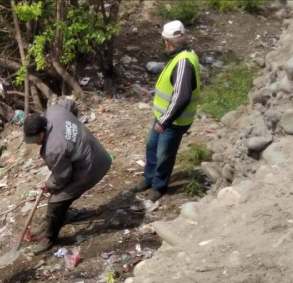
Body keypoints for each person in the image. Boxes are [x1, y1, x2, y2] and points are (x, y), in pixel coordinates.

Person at [23, 98, 112, 253]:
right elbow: (70, 104)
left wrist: (48, 185)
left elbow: (63, 177)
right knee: (56, 198)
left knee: (57, 201)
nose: (35, 142)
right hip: (92, 149)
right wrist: (73, 130)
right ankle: (49, 221)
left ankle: (50, 237)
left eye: (36, 139)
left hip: (92, 167)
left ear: (42, 132)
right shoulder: (54, 111)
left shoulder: (54, 148)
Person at [131, 20, 201, 202]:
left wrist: (165, 121)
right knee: (152, 147)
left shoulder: (184, 62)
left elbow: (181, 97)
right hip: (164, 116)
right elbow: (173, 88)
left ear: (167, 42)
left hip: (173, 121)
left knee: (164, 154)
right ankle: (148, 178)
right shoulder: (181, 57)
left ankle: (158, 186)